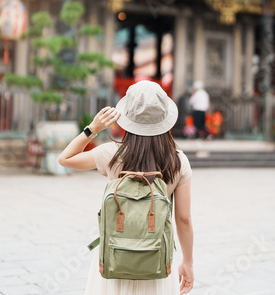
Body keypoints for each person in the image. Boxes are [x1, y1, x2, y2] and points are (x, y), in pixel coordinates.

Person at [58, 80, 194, 295]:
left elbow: (65, 159)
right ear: (165, 118)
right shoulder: (178, 161)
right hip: (156, 257)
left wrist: (92, 129)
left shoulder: (111, 153)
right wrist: (188, 262)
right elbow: (183, 219)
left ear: (127, 116)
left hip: (115, 255)